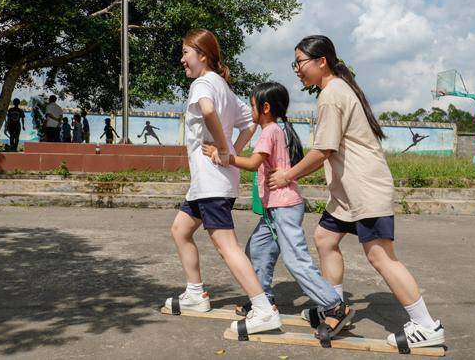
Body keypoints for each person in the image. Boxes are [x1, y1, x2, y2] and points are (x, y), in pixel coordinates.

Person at [268, 35, 445, 351]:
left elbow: (323, 149)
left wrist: (287, 176)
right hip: (347, 194)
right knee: (325, 238)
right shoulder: (333, 90)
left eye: (300, 62)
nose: (296, 68)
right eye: (294, 63)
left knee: (380, 256)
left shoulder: (332, 95)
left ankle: (426, 324)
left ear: (321, 61)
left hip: (365, 190)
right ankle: (334, 307)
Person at [202, 82, 355, 344]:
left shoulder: (270, 130)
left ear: (265, 107)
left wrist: (222, 155)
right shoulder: (280, 128)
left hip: (284, 208)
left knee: (296, 260)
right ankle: (264, 300)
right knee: (257, 251)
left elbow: (252, 163)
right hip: (275, 210)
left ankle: (334, 306)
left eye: (252, 105)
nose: (250, 110)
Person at [163, 28, 281, 336]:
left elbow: (208, 110)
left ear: (202, 56)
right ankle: (195, 294)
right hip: (209, 182)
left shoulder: (204, 83)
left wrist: (225, 149)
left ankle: (263, 308)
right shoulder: (224, 87)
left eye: (186, 53)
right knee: (180, 229)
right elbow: (251, 120)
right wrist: (233, 151)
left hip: (212, 182)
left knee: (227, 246)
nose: (182, 59)